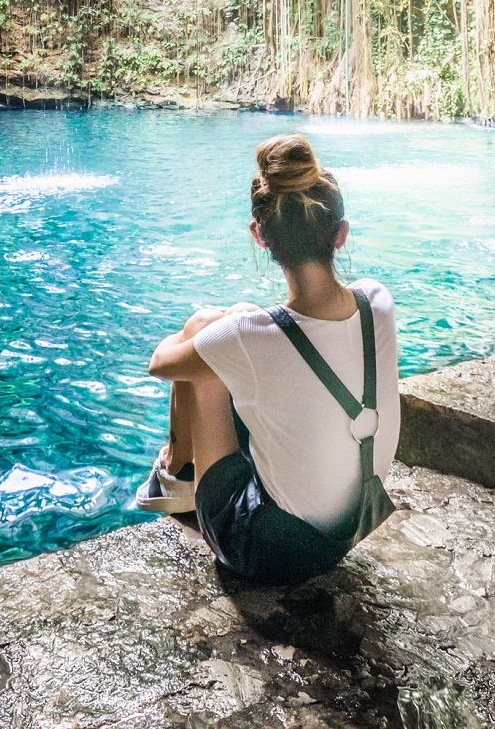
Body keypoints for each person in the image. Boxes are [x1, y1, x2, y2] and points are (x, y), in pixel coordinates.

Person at [136, 133, 400, 584]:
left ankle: (176, 478)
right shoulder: (377, 300)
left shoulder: (248, 337)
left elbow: (160, 364)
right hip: (351, 527)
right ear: (341, 234)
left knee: (206, 332)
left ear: (259, 236)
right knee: (229, 334)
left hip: (268, 550)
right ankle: (176, 479)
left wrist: (214, 329)